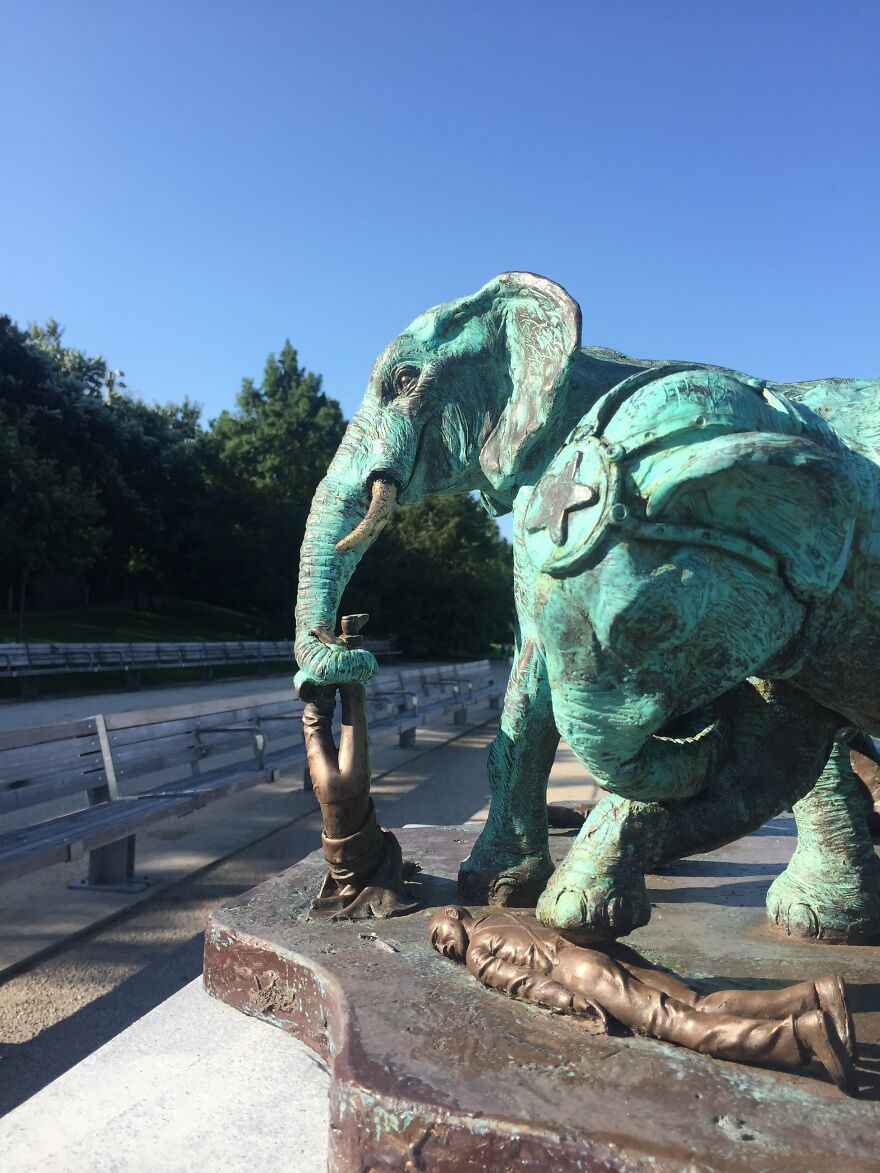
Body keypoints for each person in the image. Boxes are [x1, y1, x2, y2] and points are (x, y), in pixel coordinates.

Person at [428, 906, 858, 1095]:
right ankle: (812, 996)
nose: (442, 948)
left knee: (680, 1025)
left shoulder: (475, 953)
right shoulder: (504, 915)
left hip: (577, 973)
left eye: (438, 938)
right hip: (594, 950)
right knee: (698, 1001)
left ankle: (800, 1035)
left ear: (452, 914)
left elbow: (521, 982)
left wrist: (574, 1004)